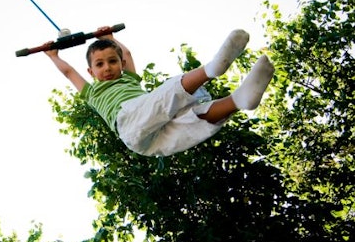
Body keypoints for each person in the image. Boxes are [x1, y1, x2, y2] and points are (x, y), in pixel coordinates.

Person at [44, 25, 274, 157]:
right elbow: (69, 73)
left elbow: (128, 55)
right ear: (91, 72)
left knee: (192, 119)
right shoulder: (93, 93)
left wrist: (110, 38)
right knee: (167, 95)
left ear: (121, 64)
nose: (107, 68)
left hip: (149, 138)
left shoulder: (130, 80)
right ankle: (210, 69)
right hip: (129, 124)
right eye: (100, 64)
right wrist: (54, 56)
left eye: (112, 61)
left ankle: (237, 101)